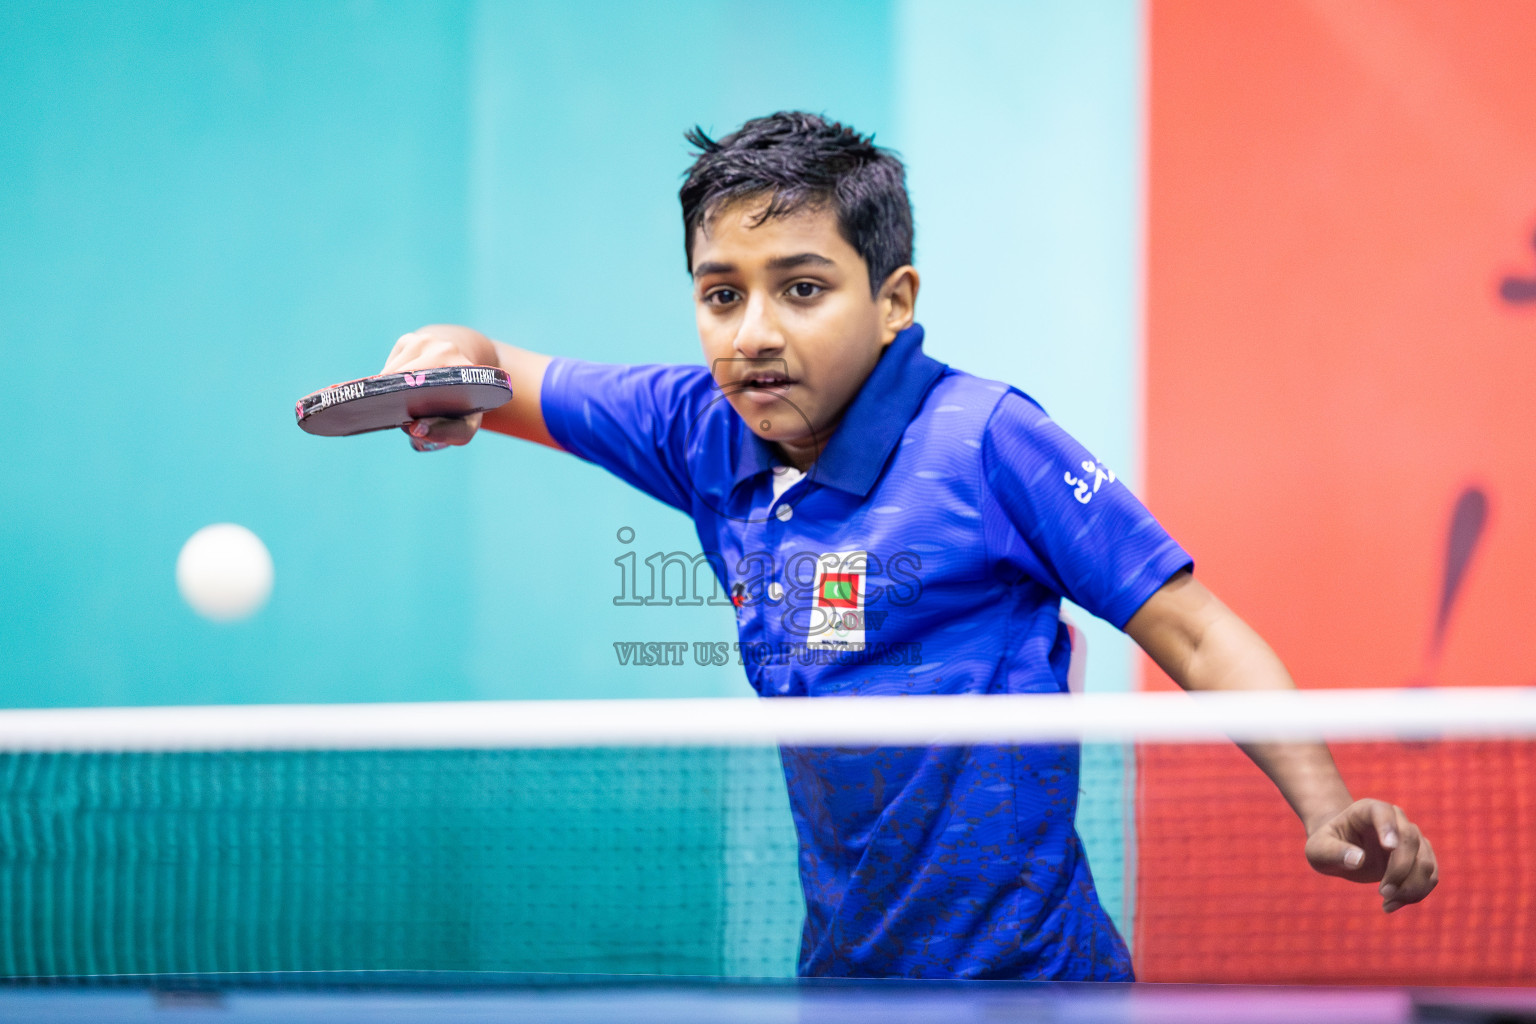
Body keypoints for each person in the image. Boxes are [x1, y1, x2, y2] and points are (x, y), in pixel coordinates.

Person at [379, 111, 1438, 980]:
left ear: (894, 303)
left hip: (1034, 984)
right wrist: (452, 365)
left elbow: (1197, 633)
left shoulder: (986, 442)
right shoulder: (702, 427)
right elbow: (509, 375)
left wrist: (1327, 806)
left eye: (802, 288)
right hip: (848, 981)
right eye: (720, 294)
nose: (753, 332)